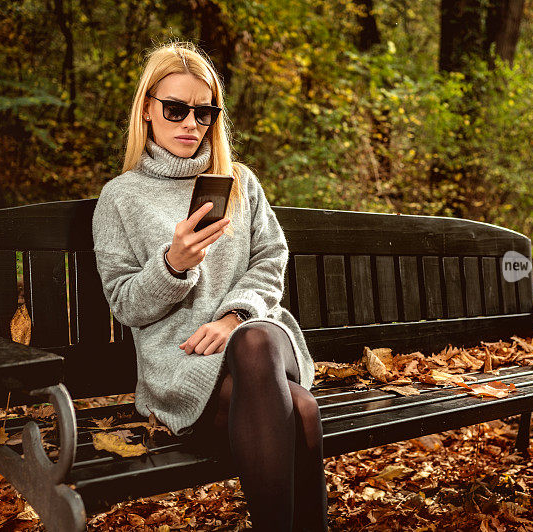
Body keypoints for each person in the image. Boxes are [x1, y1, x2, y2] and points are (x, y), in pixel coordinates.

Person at [91, 40, 328, 532]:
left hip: (260, 343)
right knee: (301, 409)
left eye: (204, 112)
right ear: (147, 109)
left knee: (255, 337)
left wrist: (233, 316)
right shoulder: (120, 198)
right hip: (183, 364)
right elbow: (125, 304)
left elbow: (271, 258)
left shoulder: (238, 181)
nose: (190, 124)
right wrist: (172, 266)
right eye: (176, 109)